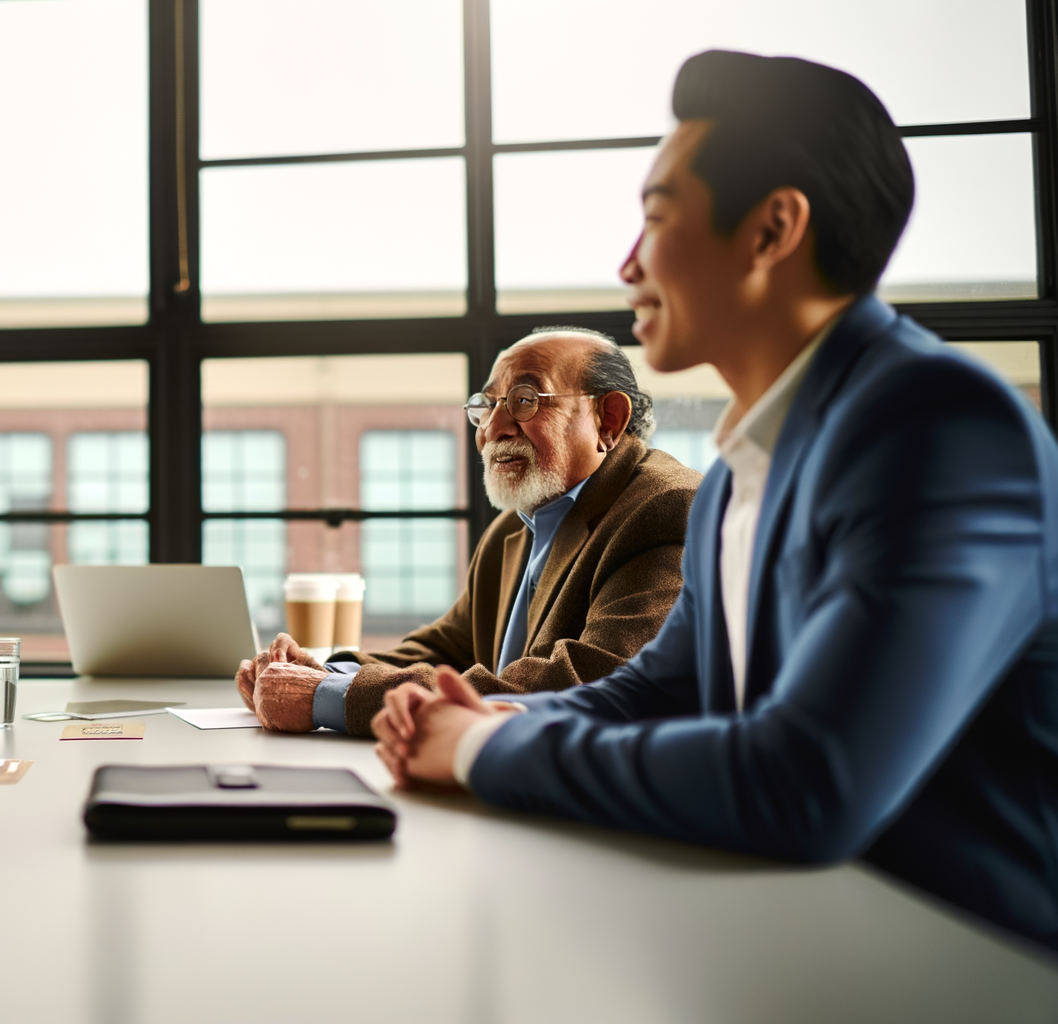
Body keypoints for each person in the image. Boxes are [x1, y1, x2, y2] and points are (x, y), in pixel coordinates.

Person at [376, 50, 1058, 951]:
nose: (627, 264)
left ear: (772, 228)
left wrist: (478, 750)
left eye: (656, 217)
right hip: (787, 930)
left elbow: (808, 779)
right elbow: (657, 690)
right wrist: (480, 715)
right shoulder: (742, 464)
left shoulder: (940, 427)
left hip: (957, 960)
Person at [235, 330, 701, 736]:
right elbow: (445, 649)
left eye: (524, 400)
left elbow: (583, 683)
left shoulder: (664, 508)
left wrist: (329, 697)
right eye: (486, 406)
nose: (492, 429)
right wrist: (326, 671)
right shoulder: (513, 529)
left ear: (609, 420)